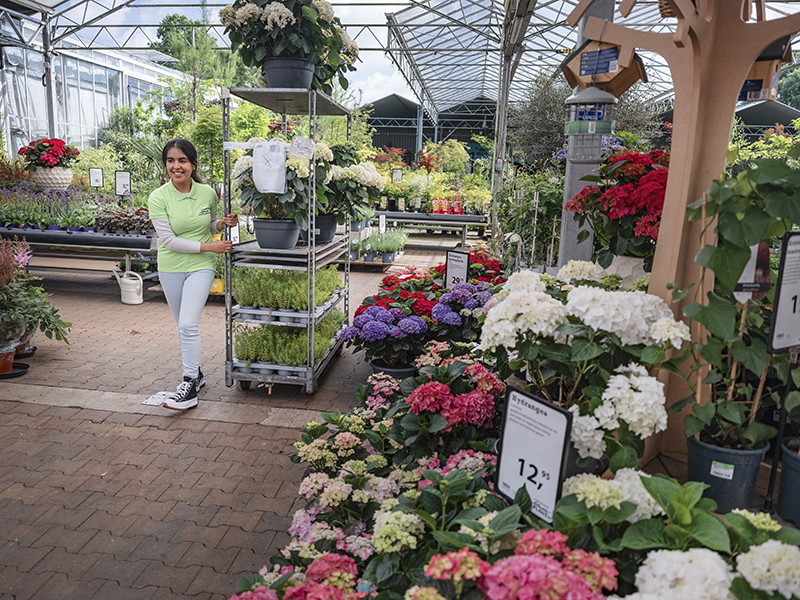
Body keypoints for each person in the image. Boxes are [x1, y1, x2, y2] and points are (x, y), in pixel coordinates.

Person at [148, 138, 238, 411]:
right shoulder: (158, 197)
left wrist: (222, 223)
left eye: (182, 160)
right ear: (166, 165)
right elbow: (170, 241)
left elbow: (209, 222)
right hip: (170, 267)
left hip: (201, 266)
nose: (176, 166)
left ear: (193, 164)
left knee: (188, 324)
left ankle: (188, 384)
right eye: (171, 161)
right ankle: (196, 374)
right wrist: (212, 244)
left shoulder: (207, 193)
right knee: (181, 325)